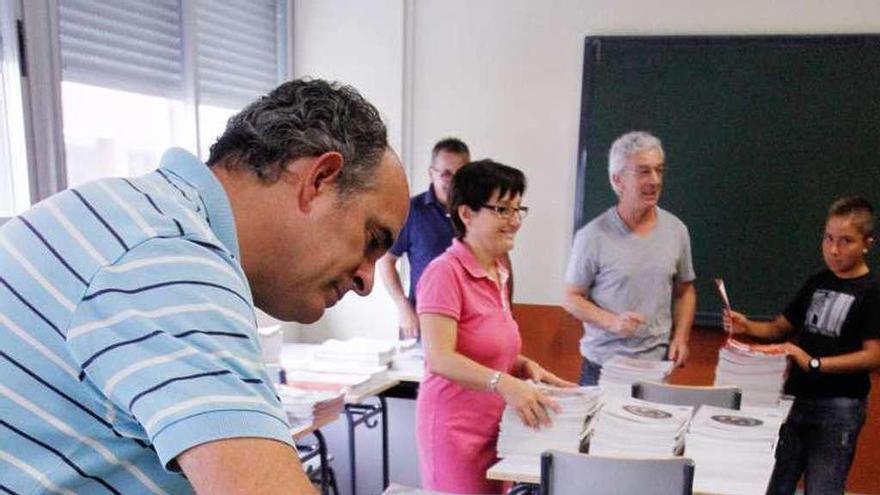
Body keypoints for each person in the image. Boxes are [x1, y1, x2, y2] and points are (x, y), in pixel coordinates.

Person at [0, 79, 409, 494]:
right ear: (319, 179)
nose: (367, 281)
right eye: (372, 240)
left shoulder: (138, 218)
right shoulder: (170, 260)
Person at [416, 159, 573, 494]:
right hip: (454, 434)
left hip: (496, 430)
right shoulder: (445, 273)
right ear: (466, 214)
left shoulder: (498, 272)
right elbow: (440, 357)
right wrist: (503, 381)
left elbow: (486, 348)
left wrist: (522, 366)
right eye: (502, 210)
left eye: (518, 210)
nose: (514, 221)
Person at [724, 197, 880, 495]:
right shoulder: (817, 282)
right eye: (828, 238)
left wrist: (814, 363)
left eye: (846, 241)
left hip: (839, 406)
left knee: (823, 487)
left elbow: (874, 355)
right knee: (775, 483)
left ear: (867, 244)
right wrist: (746, 326)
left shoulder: (872, 292)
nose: (834, 249)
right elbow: (778, 328)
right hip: (794, 401)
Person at [563, 131, 696, 385]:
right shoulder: (592, 236)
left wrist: (681, 337)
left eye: (659, 170)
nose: (655, 180)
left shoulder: (676, 230)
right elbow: (571, 298)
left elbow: (685, 292)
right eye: (644, 172)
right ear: (618, 179)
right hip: (603, 369)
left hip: (657, 370)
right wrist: (612, 322)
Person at [378, 138, 470, 338]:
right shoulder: (411, 211)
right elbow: (386, 261)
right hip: (425, 323)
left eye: (460, 174)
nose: (452, 181)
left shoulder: (477, 213)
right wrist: (404, 309)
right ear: (431, 173)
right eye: (446, 174)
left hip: (471, 323)